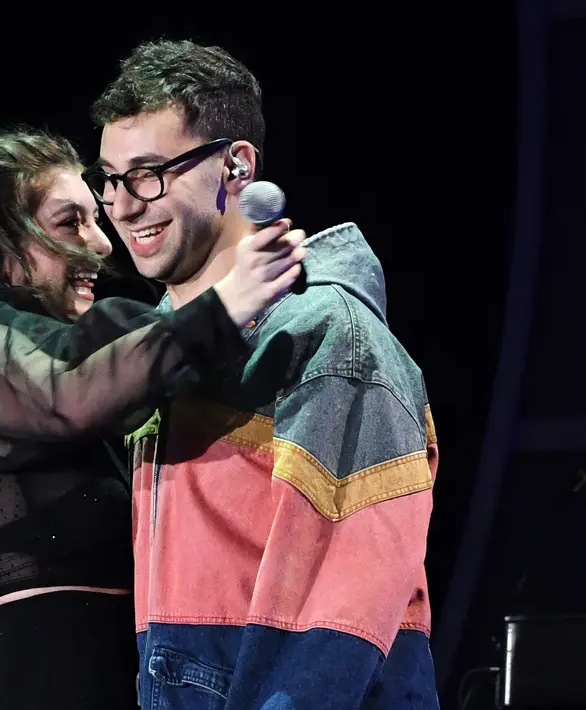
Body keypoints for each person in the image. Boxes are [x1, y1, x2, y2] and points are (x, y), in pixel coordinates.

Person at [0, 126, 306, 710]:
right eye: (69, 223)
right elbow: (70, 393)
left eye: (93, 220)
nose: (102, 245)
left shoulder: (77, 352)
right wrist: (222, 307)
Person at [84, 40, 441, 709]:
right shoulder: (155, 365)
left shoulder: (330, 338)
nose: (124, 205)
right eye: (108, 179)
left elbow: (342, 607)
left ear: (235, 167)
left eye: (148, 173)